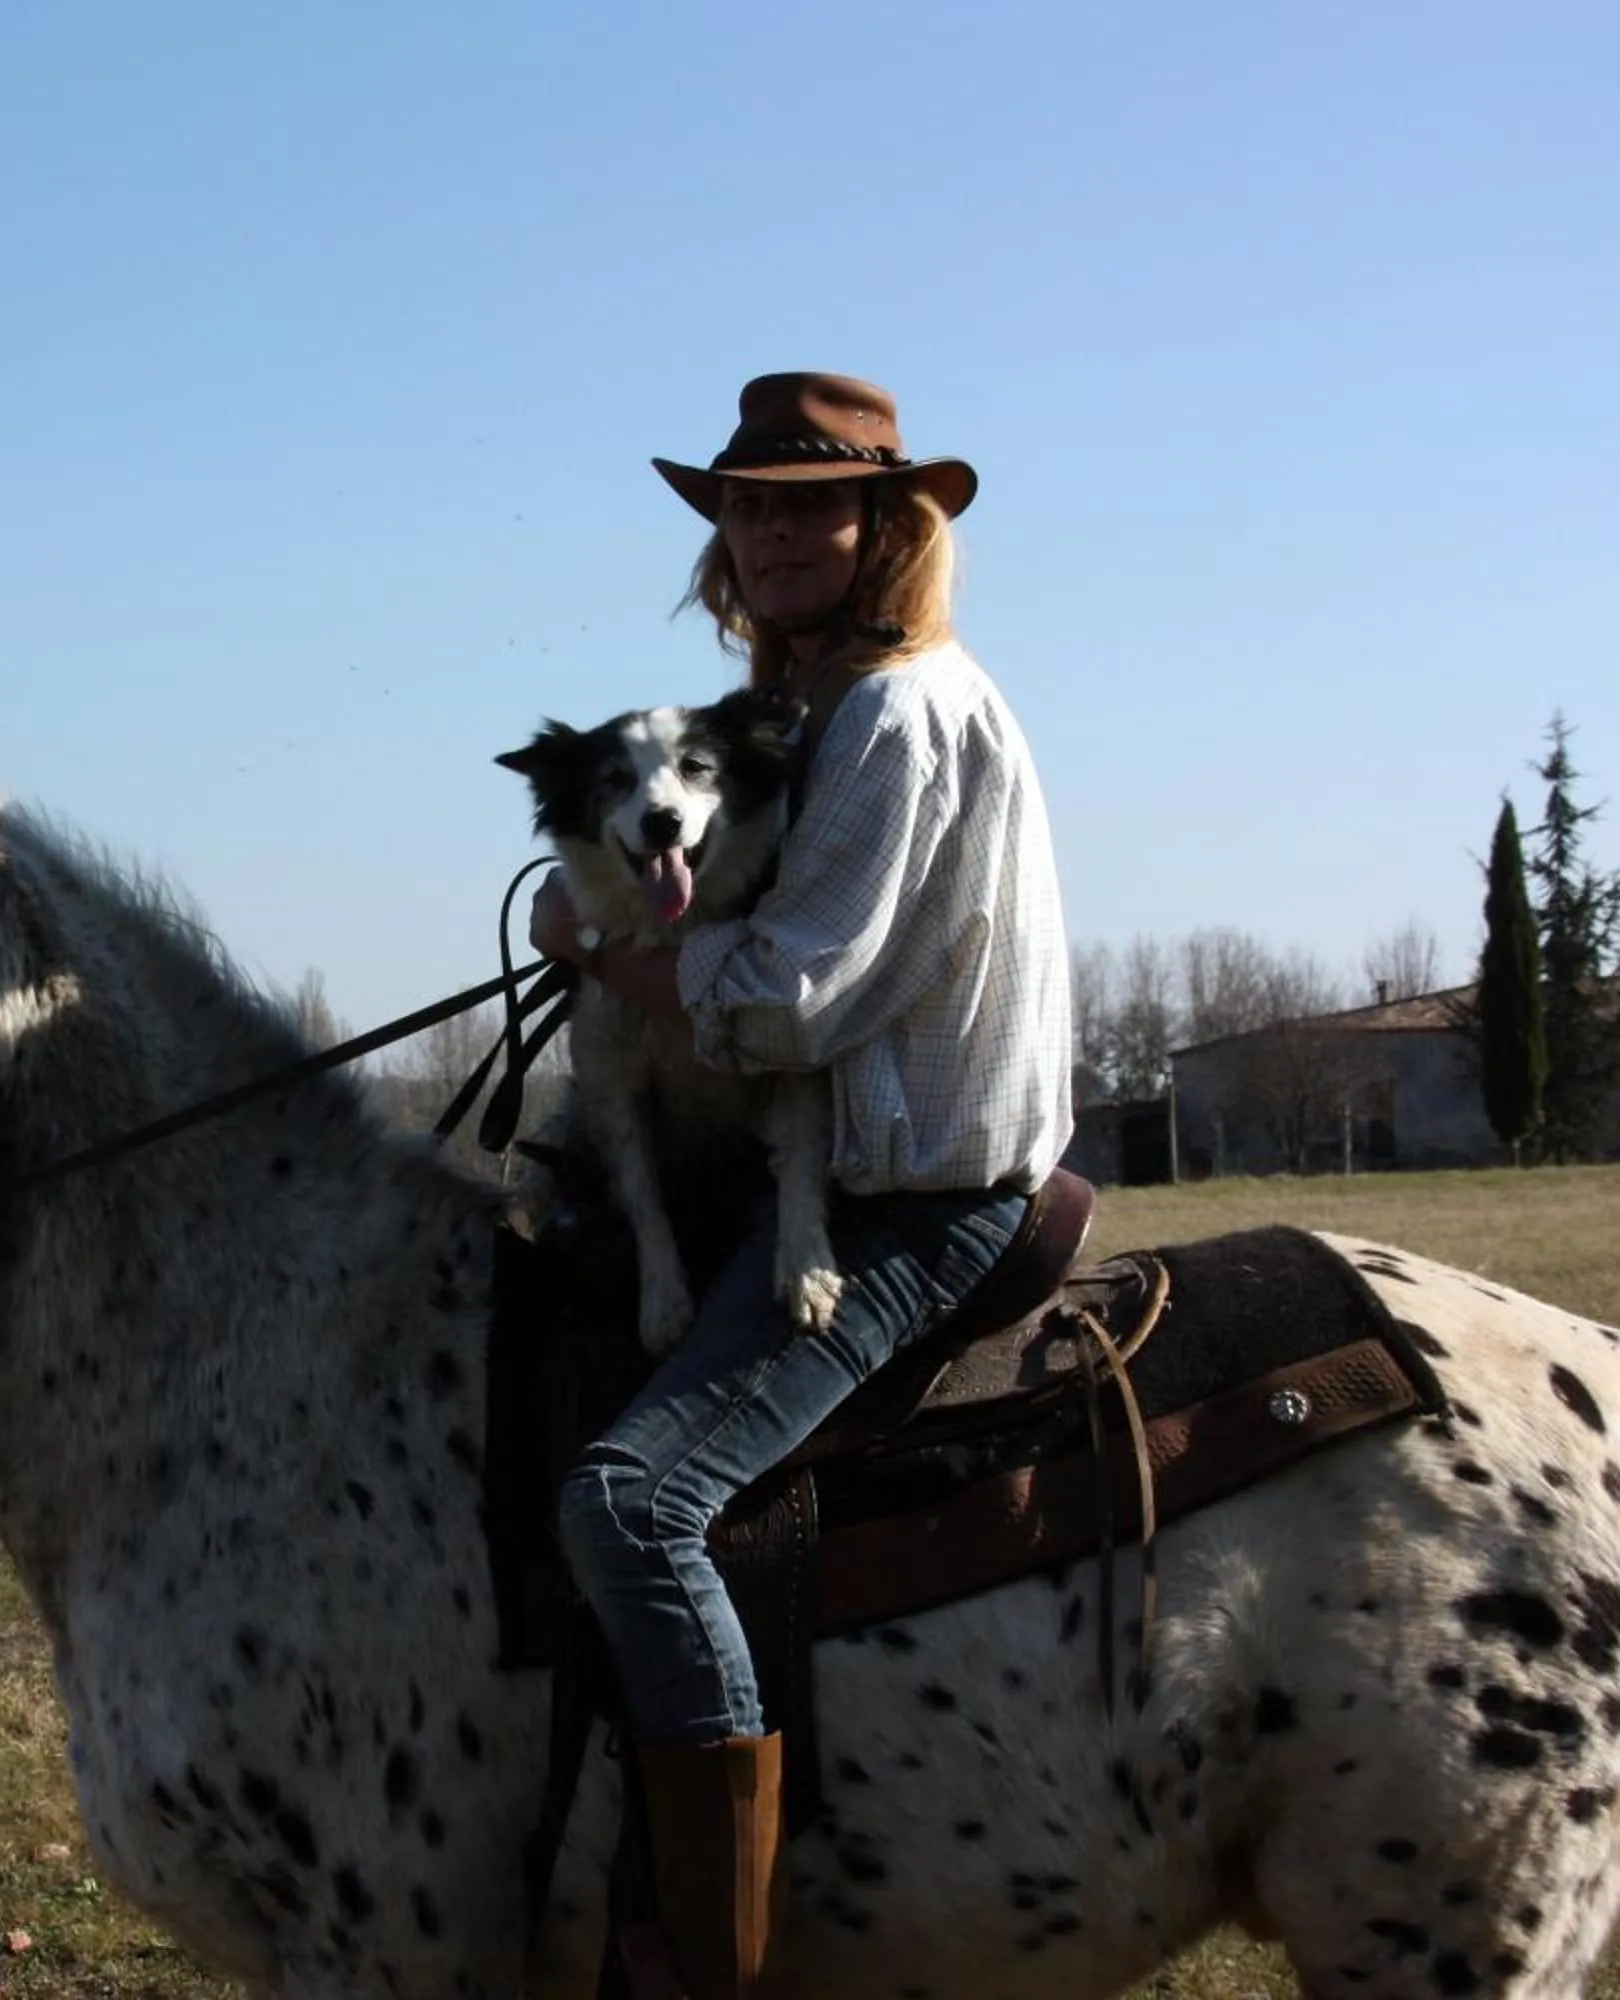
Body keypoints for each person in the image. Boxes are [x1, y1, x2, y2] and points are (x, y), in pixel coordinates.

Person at [534, 373, 1073, 1998]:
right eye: (747, 506)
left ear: (885, 525)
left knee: (629, 1502)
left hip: (918, 1197)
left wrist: (589, 945)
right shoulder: (816, 705)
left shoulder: (900, 712)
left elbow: (784, 1000)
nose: (770, 532)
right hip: (825, 1160)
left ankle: (719, 1960)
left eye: (808, 504)